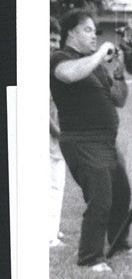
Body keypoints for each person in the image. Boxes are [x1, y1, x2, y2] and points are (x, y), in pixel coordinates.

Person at [50, 9, 132, 271]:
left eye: (94, 31)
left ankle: (119, 242)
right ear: (71, 33)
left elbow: (119, 99)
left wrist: (119, 74)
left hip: (106, 141)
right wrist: (100, 54)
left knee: (121, 192)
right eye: (87, 30)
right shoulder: (60, 58)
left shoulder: (95, 65)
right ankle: (90, 257)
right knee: (100, 197)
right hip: (81, 141)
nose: (93, 36)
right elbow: (69, 75)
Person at [49, 18, 66, 248]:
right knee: (52, 183)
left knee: (55, 183)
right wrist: (60, 133)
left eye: (56, 40)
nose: (54, 44)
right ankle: (49, 235)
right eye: (50, 39)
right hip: (49, 135)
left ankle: (52, 228)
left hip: (54, 133)